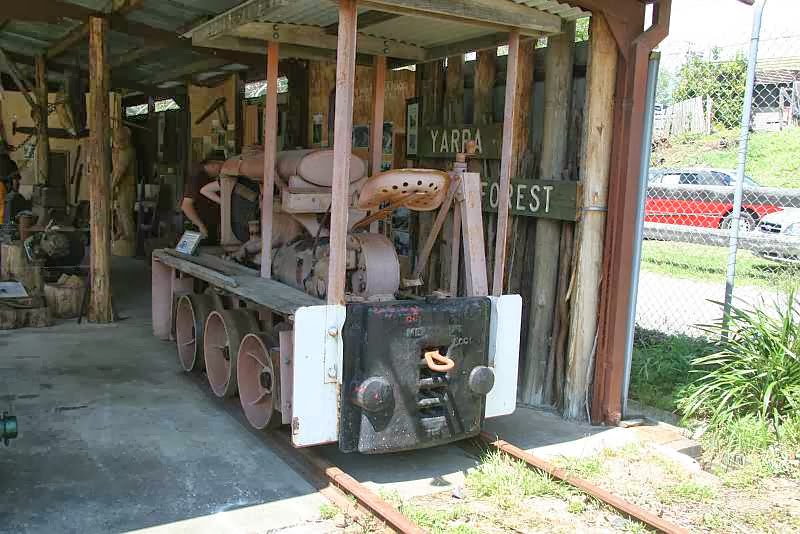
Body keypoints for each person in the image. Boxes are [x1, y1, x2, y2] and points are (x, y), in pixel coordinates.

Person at [181, 153, 225, 242]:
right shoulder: (197, 177)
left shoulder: (211, 177)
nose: (222, 170)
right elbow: (186, 205)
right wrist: (200, 226)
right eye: (221, 167)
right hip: (198, 227)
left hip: (209, 225)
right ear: (213, 164)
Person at [111, 126, 137, 256]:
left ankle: (129, 237)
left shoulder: (127, 152)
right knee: (120, 211)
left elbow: (120, 171)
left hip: (127, 188)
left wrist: (111, 186)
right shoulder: (119, 152)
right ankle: (121, 233)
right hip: (121, 188)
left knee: (125, 213)